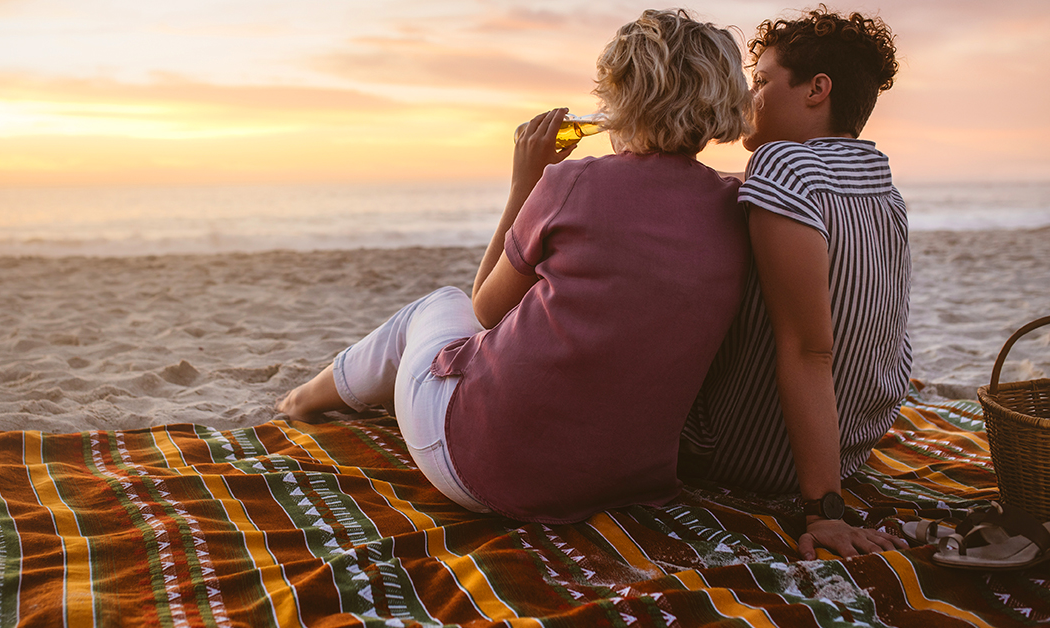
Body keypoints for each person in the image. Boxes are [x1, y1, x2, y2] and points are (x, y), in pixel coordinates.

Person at [277, 9, 752, 524]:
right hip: (627, 481)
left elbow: (483, 308)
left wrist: (526, 181)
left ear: (619, 97)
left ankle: (303, 401)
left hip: (478, 466)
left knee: (442, 303)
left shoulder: (574, 182)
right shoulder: (736, 204)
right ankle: (325, 393)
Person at [680, 7, 912, 558]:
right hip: (856, 440)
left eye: (760, 81)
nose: (747, 95)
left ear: (816, 90)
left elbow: (810, 349)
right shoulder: (884, 189)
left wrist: (825, 511)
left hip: (750, 456)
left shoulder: (782, 165)